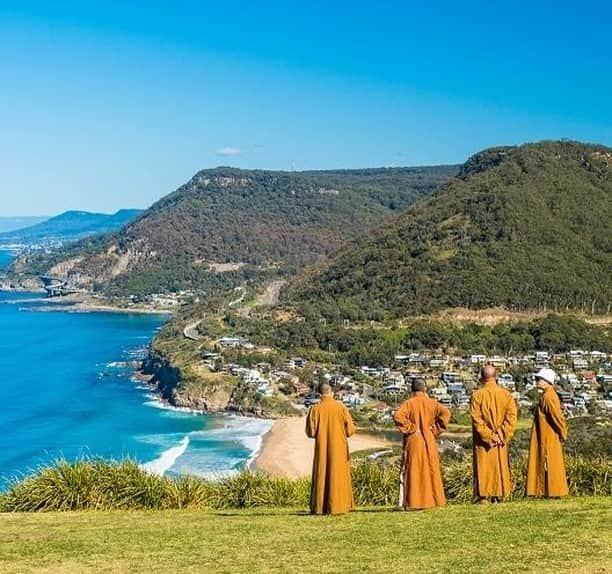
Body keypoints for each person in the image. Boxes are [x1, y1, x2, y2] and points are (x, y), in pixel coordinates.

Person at [393, 378, 451, 510]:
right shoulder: (433, 403)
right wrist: (435, 430)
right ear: (425, 389)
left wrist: (410, 428)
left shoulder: (409, 403)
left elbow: (398, 416)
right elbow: (446, 413)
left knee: (411, 470)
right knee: (430, 470)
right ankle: (434, 499)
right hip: (429, 439)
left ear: (412, 390)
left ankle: (409, 502)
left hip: (413, 440)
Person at [305, 382, 356, 514]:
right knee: (338, 475)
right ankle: (340, 505)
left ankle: (320, 507)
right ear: (331, 392)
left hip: (322, 447)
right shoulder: (341, 408)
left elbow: (310, 433)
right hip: (339, 447)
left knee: (322, 474)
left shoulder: (315, 409)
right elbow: (350, 430)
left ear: (320, 394)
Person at [470, 365, 517, 503]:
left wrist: (489, 436)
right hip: (500, 441)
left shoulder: (477, 396)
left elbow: (476, 419)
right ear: (496, 376)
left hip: (484, 442)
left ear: (481, 377)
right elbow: (511, 417)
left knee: (484, 467)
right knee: (500, 465)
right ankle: (499, 494)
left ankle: (483, 495)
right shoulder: (506, 395)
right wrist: (502, 435)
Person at [526, 367, 569, 498]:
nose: (536, 381)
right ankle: (549, 491)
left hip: (548, 437)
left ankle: (553, 491)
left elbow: (557, 417)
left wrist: (563, 432)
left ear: (546, 381)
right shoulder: (548, 395)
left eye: (538, 379)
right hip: (547, 436)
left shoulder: (549, 396)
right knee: (549, 463)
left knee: (550, 463)